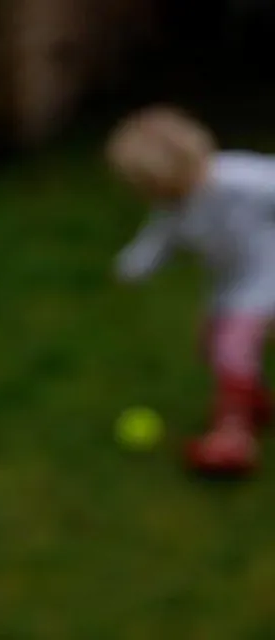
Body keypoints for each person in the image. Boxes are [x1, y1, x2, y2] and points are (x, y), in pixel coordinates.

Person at [106, 104, 275, 474]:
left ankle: (233, 439)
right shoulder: (176, 205)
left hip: (268, 275)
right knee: (213, 344)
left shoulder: (238, 180)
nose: (159, 200)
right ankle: (254, 402)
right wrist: (133, 267)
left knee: (231, 347)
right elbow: (159, 239)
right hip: (232, 282)